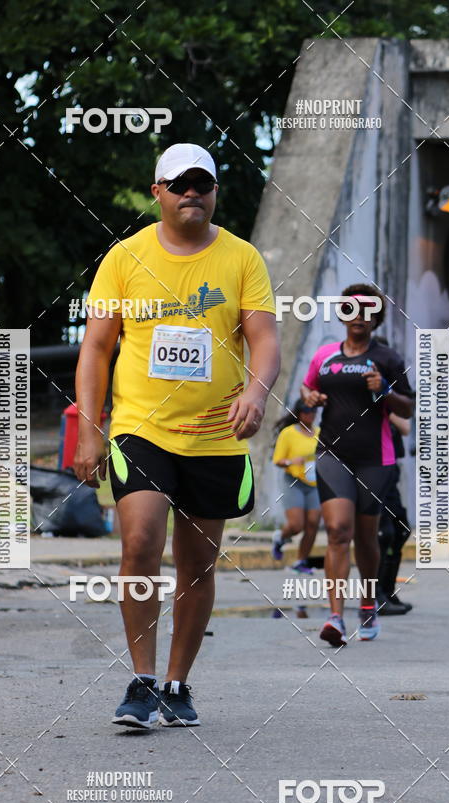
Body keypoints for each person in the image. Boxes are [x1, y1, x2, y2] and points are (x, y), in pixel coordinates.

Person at [74, 143, 279, 728]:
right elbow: (95, 347)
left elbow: (264, 338)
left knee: (197, 565)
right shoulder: (124, 257)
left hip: (214, 434)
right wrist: (90, 430)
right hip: (142, 427)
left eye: (203, 183)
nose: (193, 191)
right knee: (139, 543)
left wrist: (257, 392)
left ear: (215, 192)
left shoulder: (242, 259)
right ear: (157, 191)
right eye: (179, 182)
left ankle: (176, 684)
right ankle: (140, 679)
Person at [300, 284, 414, 645]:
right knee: (337, 531)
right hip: (332, 453)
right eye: (351, 310)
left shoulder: (389, 359)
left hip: (375, 459)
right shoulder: (325, 355)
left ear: (376, 318)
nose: (359, 317)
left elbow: (408, 408)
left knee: (366, 537)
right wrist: (313, 397)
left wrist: (384, 390)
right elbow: (307, 388)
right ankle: (335, 616)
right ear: (343, 315)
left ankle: (367, 604)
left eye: (367, 311)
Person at [271, 400, 321, 580]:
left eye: (314, 409)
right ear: (299, 413)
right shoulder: (288, 433)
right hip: (293, 481)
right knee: (296, 525)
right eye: (307, 410)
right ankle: (280, 538)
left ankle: (301, 561)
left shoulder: (320, 433)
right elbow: (277, 460)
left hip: (314, 483)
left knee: (313, 523)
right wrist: (292, 461)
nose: (311, 413)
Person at [377, 412, 413, 615]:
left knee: (401, 531)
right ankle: (376, 595)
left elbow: (405, 427)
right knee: (383, 534)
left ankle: (388, 591)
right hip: (374, 470)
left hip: (391, 470)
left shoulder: (389, 397)